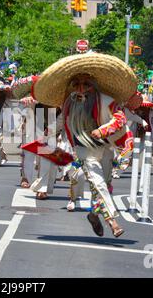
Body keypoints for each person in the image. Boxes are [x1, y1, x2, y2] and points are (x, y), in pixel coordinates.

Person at [33, 52, 139, 238]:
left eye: (86, 84)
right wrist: (47, 134)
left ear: (93, 86)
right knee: (98, 184)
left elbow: (120, 119)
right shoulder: (69, 103)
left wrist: (103, 130)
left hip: (105, 148)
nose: (81, 89)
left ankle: (93, 215)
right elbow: (59, 122)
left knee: (104, 183)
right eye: (77, 85)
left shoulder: (106, 100)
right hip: (83, 150)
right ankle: (113, 222)